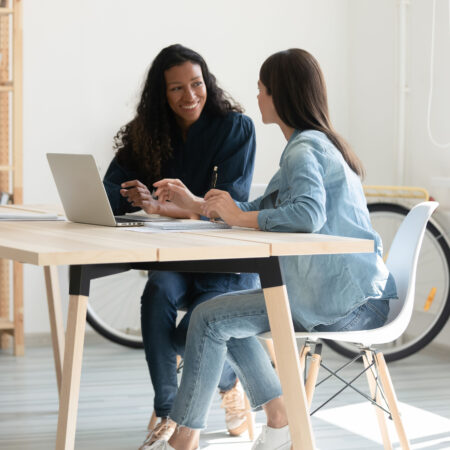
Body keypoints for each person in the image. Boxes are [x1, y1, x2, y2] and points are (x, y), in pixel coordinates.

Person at [147, 48, 398, 450]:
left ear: (279, 95)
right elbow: (266, 207)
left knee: (210, 320)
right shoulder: (315, 143)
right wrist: (200, 205)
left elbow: (307, 214)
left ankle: (184, 438)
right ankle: (277, 420)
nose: (258, 96)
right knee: (216, 317)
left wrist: (236, 216)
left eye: (262, 89)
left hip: (346, 302)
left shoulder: (302, 149)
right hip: (349, 294)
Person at [103, 44, 259, 447]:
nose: (190, 96)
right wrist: (135, 197)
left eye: (197, 84)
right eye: (176, 89)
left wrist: (169, 207)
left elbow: (229, 203)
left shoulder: (234, 127)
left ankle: (227, 385)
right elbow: (109, 189)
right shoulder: (148, 132)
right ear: (161, 94)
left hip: (225, 261)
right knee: (157, 292)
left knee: (193, 332)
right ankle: (169, 408)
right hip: (176, 257)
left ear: (207, 83)